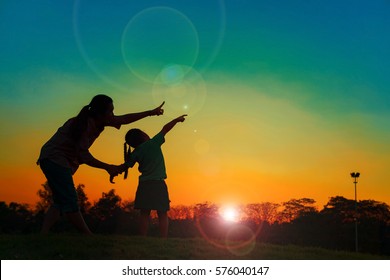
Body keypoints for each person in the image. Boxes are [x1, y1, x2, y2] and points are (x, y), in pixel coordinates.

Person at [37, 94, 164, 234]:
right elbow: (84, 156)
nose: (113, 115)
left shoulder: (101, 121)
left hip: (53, 159)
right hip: (54, 159)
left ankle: (43, 234)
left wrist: (151, 113)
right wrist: (107, 167)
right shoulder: (83, 125)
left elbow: (125, 119)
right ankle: (88, 235)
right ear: (99, 113)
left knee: (60, 201)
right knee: (69, 200)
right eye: (110, 111)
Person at [122, 114, 187, 238]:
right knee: (162, 213)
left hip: (144, 184)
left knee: (144, 213)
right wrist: (176, 119)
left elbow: (125, 166)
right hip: (158, 184)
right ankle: (163, 238)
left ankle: (142, 237)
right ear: (143, 135)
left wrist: (113, 171)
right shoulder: (153, 143)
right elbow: (166, 128)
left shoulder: (136, 152)